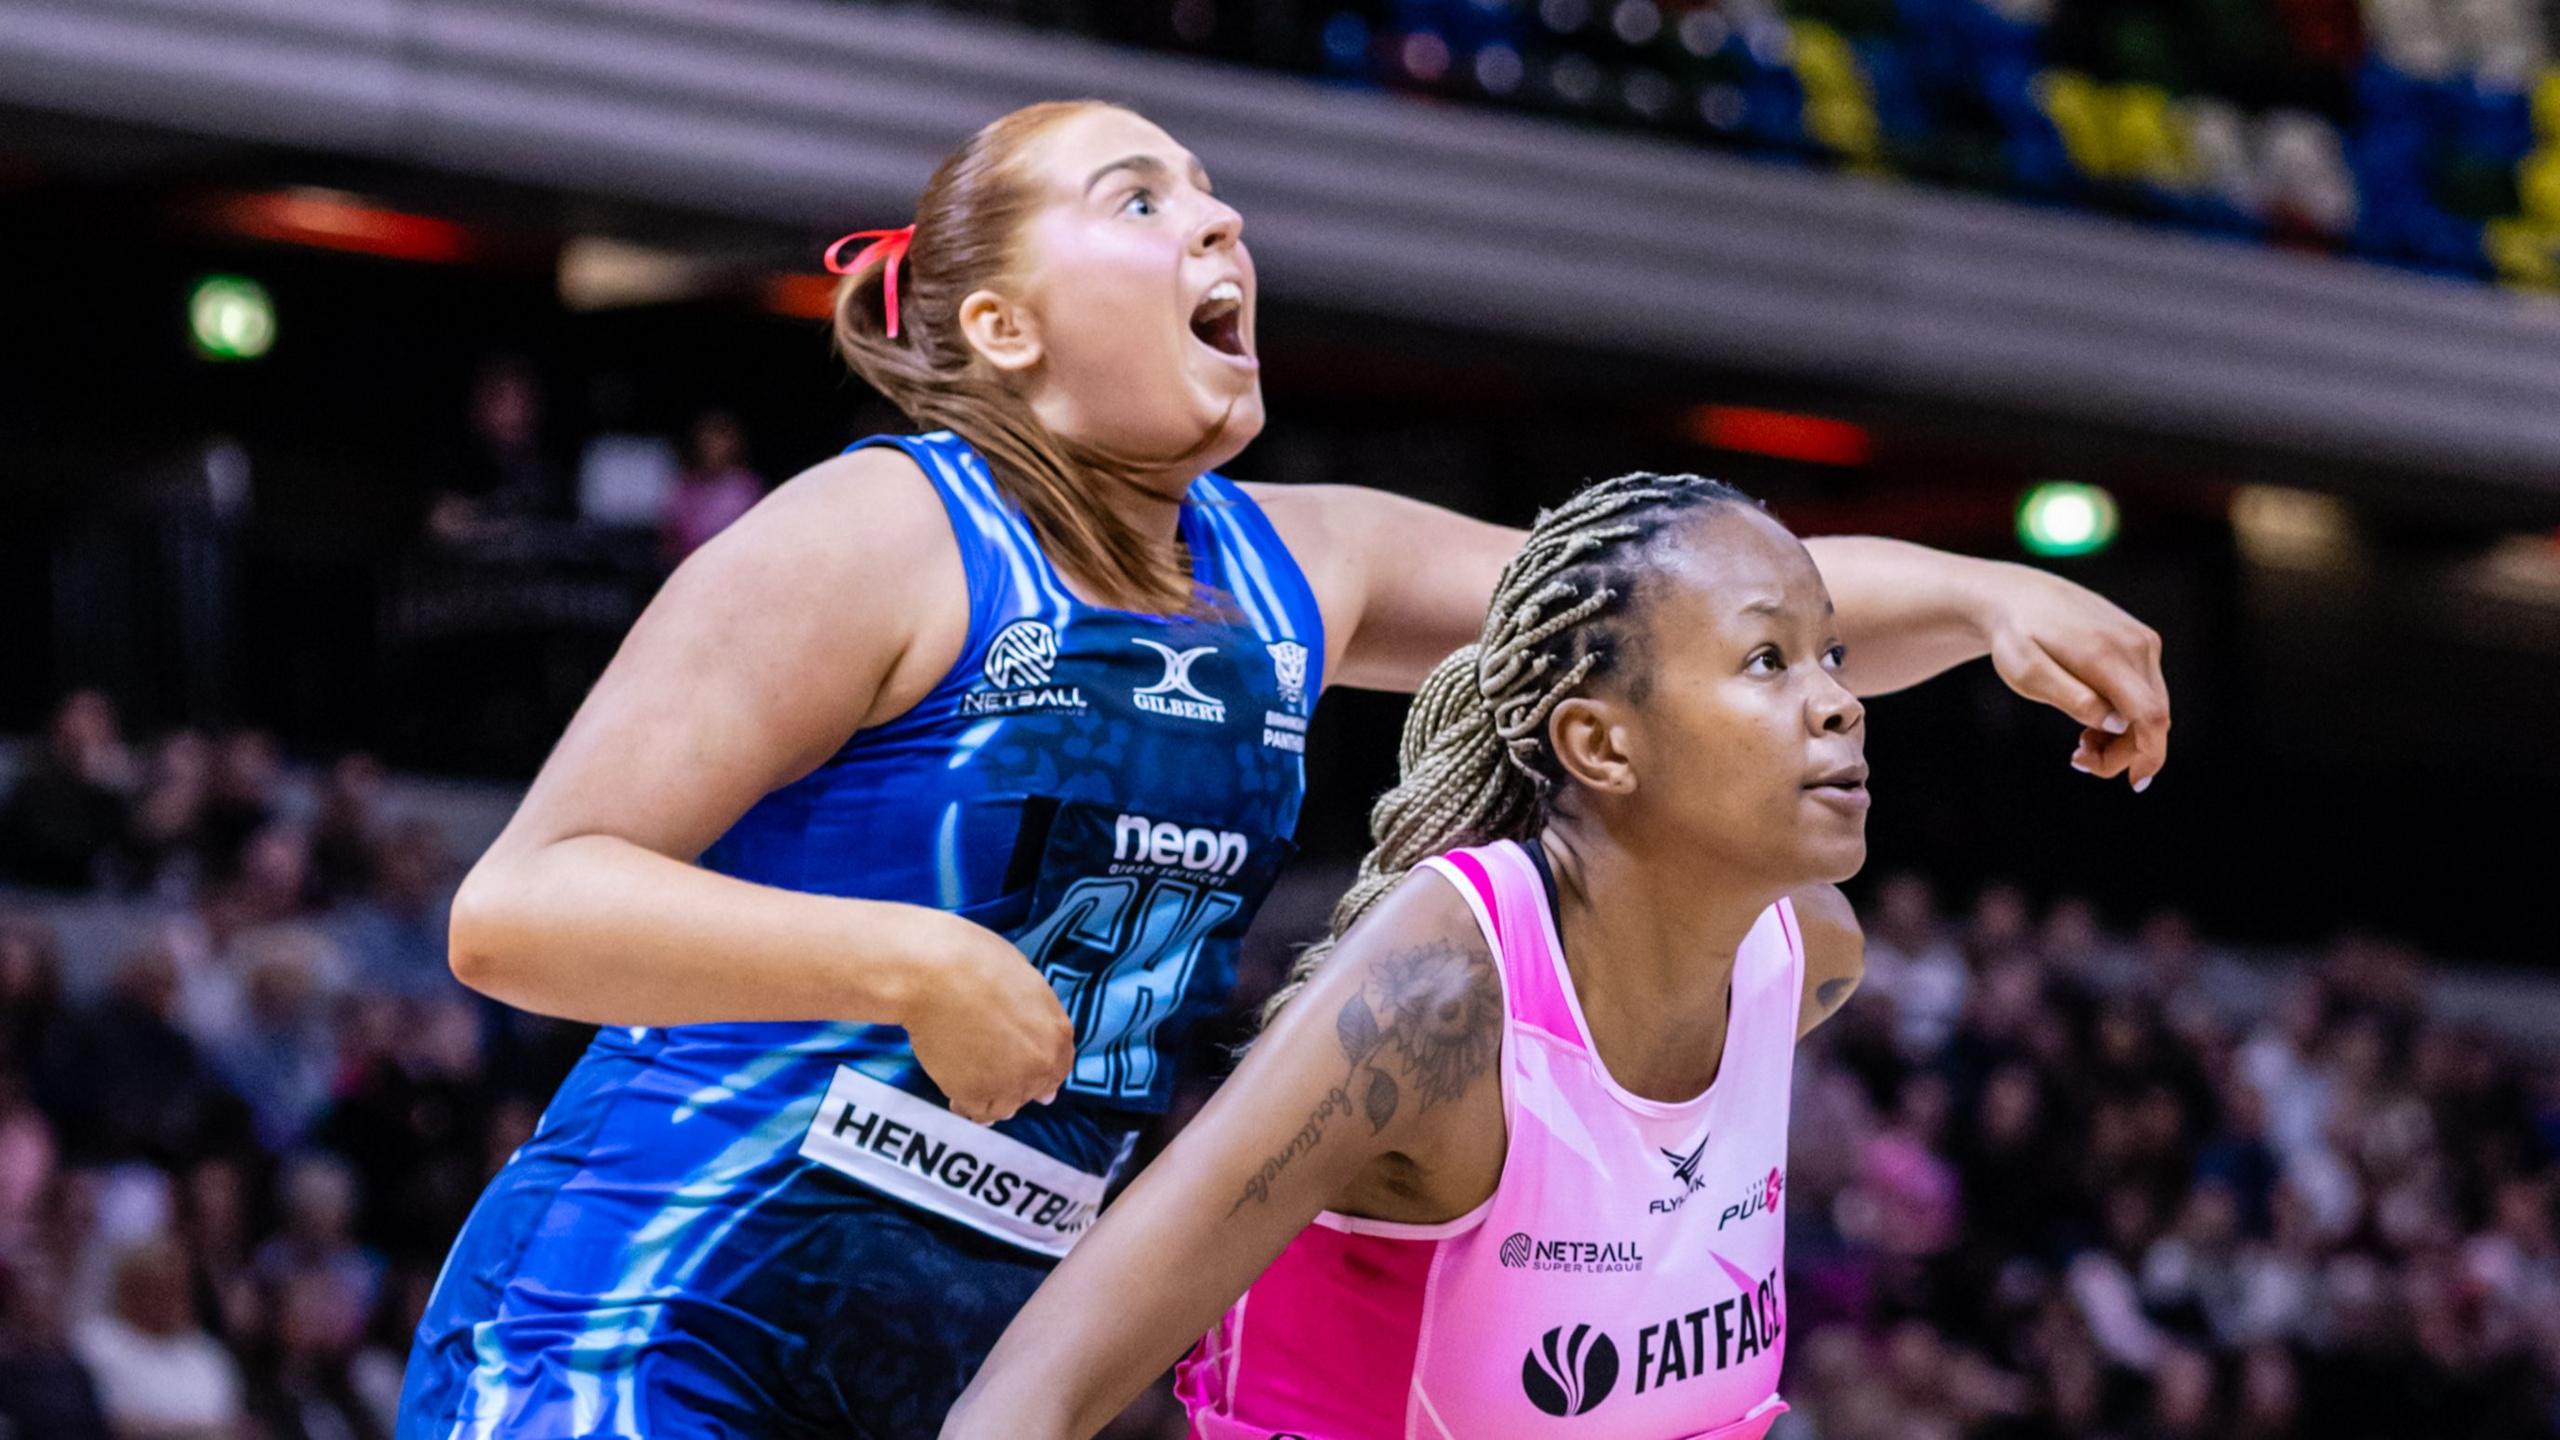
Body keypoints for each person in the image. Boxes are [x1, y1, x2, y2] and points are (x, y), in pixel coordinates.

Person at [397, 99, 2170, 1439]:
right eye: (1140, 200)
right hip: (643, 1317)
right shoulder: (879, 531)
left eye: (1216, 197)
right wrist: (901, 959)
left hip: (956, 1348)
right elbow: (522, 906)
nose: (1217, 221)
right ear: (1002, 330)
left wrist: (1979, 591)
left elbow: (1663, 621)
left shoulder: (1294, 563)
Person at [940, 472, 1869, 1438]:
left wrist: (1992, 603)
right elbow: (1020, 1403)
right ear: (1599, 745)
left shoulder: (1805, 952)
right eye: (1769, 659)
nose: (1841, 702)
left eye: (1832, 655)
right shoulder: (1435, 1003)